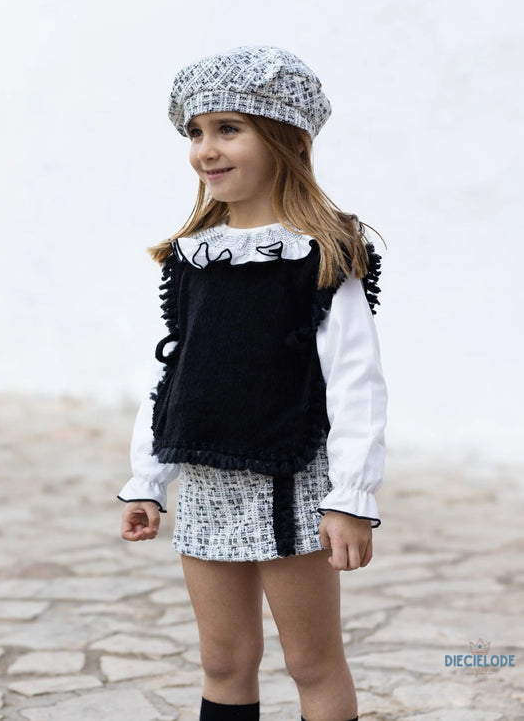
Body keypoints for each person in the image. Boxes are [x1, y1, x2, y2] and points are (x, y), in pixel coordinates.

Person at [118, 45, 387, 721]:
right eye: (196, 132)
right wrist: (147, 480)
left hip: (291, 484)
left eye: (228, 129)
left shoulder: (321, 255)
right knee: (223, 660)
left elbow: (355, 383)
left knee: (310, 662)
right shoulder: (191, 259)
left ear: (286, 138)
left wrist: (350, 499)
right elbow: (172, 372)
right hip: (206, 484)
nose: (205, 149)